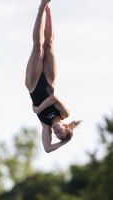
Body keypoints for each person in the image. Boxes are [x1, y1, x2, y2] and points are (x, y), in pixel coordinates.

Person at [25, 0, 81, 153]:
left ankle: (41, 8)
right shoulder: (65, 113)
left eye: (56, 134)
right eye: (60, 131)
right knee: (49, 44)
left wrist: (65, 141)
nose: (56, 131)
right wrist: (39, 110)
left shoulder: (46, 126)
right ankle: (48, 10)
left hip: (34, 84)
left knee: (37, 46)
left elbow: (47, 149)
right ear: (65, 125)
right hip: (50, 82)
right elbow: (54, 99)